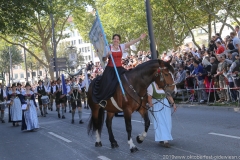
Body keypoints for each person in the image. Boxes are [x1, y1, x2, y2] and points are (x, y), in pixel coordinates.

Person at [92, 33, 147, 107]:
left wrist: (140, 38)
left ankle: (132, 97)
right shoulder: (108, 47)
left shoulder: (122, 47)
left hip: (119, 68)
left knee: (128, 79)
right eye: (114, 39)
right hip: (110, 69)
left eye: (117, 39)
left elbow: (131, 43)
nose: (116, 40)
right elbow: (103, 59)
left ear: (119, 41)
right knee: (107, 82)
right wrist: (108, 54)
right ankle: (104, 100)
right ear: (112, 40)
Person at [147, 82, 177, 148]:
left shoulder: (164, 85)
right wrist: (150, 103)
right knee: (160, 122)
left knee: (167, 121)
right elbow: (149, 97)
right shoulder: (151, 85)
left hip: (165, 104)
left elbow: (169, 95)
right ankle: (165, 140)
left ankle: (163, 137)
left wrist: (173, 104)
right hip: (156, 104)